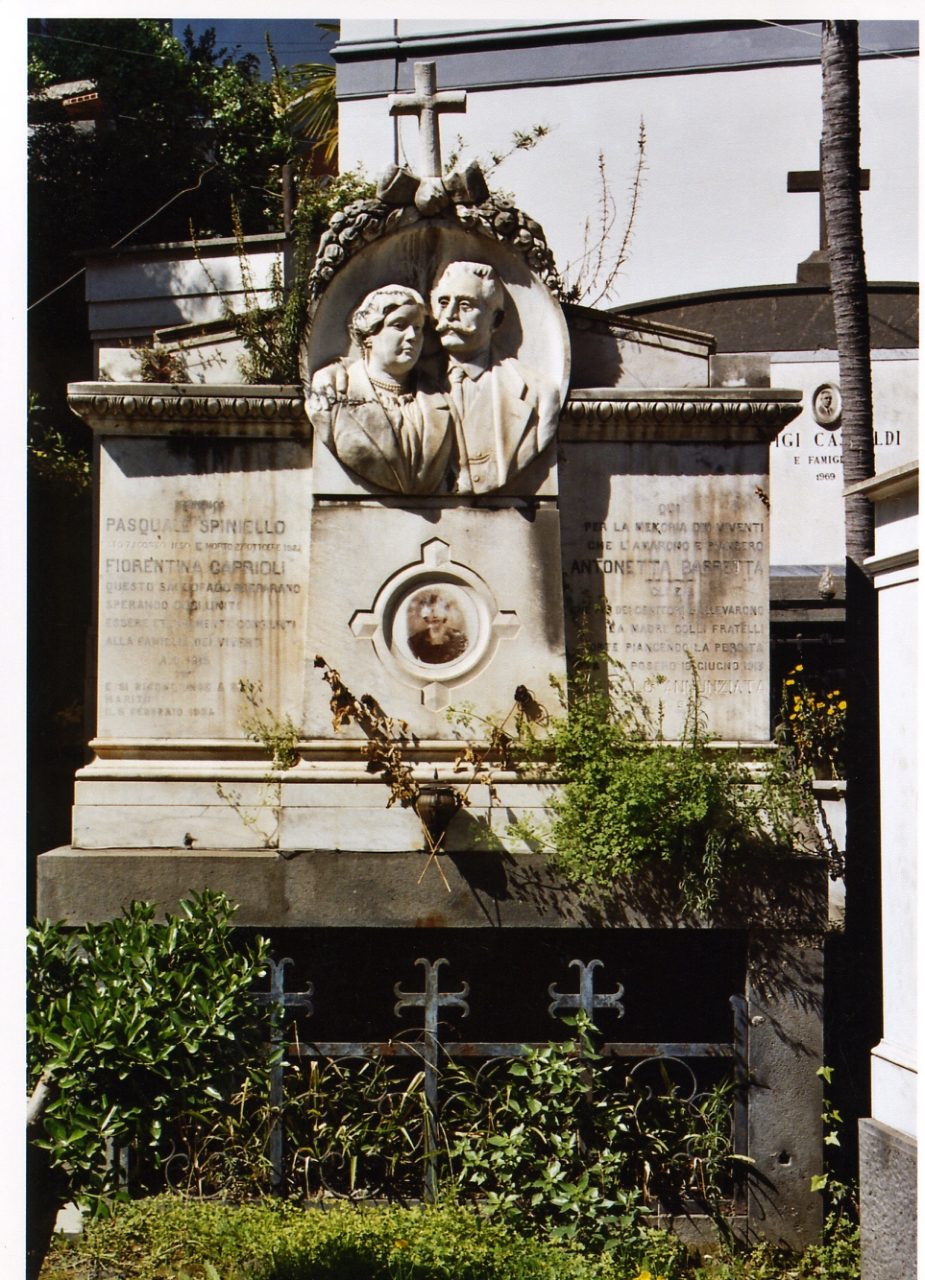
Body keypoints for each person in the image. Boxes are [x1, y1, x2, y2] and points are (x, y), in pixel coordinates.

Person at [429, 261, 561, 493]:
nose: (449, 315)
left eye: (466, 305)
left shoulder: (539, 394)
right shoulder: (407, 383)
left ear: (496, 320)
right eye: (443, 303)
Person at [307, 285, 453, 495]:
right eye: (399, 325)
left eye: (418, 327)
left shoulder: (440, 398)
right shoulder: (334, 400)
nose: (412, 336)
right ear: (368, 335)